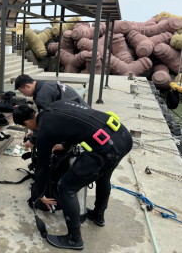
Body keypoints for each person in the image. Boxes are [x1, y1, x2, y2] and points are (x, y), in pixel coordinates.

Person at [13, 103, 132, 250]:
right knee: (103, 177)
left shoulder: (44, 133)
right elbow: (73, 123)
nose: (32, 131)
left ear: (27, 123)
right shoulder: (55, 106)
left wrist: (40, 193)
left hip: (105, 148)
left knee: (66, 187)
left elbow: (42, 167)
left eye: (30, 128)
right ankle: (98, 215)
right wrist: (65, 144)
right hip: (122, 135)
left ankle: (74, 239)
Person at [15, 74, 89, 149]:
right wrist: (35, 130)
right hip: (85, 111)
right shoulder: (46, 85)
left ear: (27, 86)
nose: (24, 95)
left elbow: (45, 120)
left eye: (22, 92)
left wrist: (33, 140)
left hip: (81, 122)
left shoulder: (42, 96)